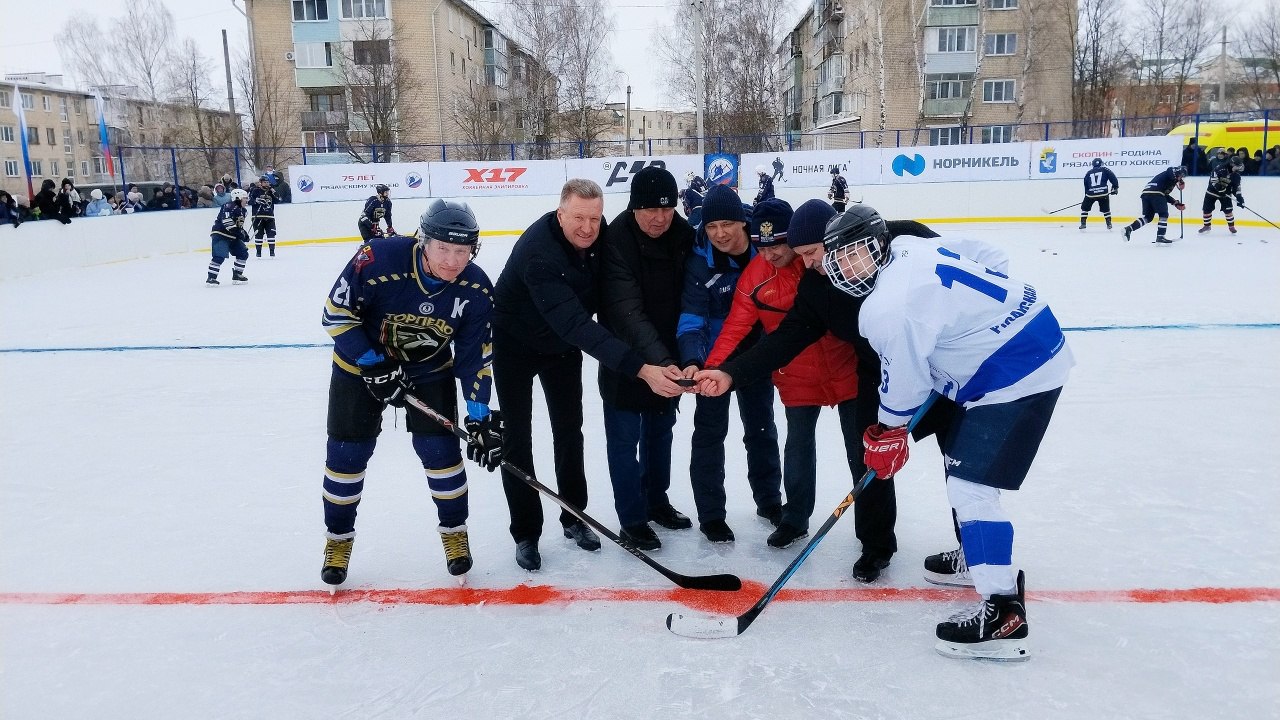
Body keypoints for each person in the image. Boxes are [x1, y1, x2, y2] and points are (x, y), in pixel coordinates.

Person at [819, 203, 1073, 661]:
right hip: (1035, 336)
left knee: (971, 488)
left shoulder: (884, 309)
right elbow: (991, 256)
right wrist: (967, 328)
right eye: (837, 257)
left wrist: (889, 432)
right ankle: (974, 558)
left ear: (877, 245)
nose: (843, 266)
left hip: (1015, 373)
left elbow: (906, 381)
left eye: (855, 253)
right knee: (959, 456)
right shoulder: (910, 247)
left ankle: (1002, 612)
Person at [693, 200, 962, 583]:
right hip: (876, 373)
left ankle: (971, 548)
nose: (805, 263)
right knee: (873, 457)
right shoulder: (817, 286)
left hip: (944, 369)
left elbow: (965, 273)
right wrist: (729, 374)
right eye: (799, 256)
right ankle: (876, 546)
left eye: (811, 253)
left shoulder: (902, 237)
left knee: (961, 465)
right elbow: (785, 339)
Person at [492, 179, 686, 571]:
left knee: (569, 431)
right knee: (518, 437)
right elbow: (578, 325)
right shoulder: (539, 255)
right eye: (578, 217)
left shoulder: (601, 240)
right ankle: (526, 532)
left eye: (594, 218)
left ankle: (573, 516)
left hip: (559, 350)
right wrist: (641, 368)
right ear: (560, 214)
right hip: (516, 345)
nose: (587, 227)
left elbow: (612, 299)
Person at [318, 199, 503, 587]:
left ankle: (455, 535)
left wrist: (480, 415)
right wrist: (373, 364)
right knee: (347, 458)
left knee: (442, 456)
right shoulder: (376, 259)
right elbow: (335, 315)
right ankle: (338, 541)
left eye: (462, 250)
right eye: (443, 249)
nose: (453, 261)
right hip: (359, 370)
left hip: (428, 370)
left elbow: (473, 359)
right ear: (423, 241)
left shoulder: (476, 288)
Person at [703, 198, 861, 550]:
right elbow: (735, 328)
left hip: (846, 370)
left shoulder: (820, 264)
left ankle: (872, 533)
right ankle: (795, 519)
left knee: (860, 453)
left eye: (777, 245)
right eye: (762, 246)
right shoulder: (755, 277)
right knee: (798, 448)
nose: (769, 254)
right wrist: (712, 369)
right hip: (796, 376)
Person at [598, 166, 697, 551]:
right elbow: (626, 311)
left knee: (661, 433)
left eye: (668, 209)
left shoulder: (684, 234)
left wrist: (684, 356)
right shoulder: (616, 241)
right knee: (624, 441)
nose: (660, 218)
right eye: (650, 210)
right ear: (634, 207)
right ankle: (633, 520)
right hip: (626, 357)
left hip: (669, 356)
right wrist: (657, 360)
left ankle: (657, 502)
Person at [677, 185, 782, 543]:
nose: (719, 233)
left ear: (742, 222)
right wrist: (692, 360)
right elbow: (691, 319)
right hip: (712, 357)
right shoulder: (698, 261)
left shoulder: (764, 247)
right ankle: (711, 515)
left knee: (761, 428)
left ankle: (770, 502)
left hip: (756, 356)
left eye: (726, 224)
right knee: (709, 434)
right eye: (711, 226)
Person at [1121, 165, 1186, 244]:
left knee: (1148, 217)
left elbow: (1164, 194)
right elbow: (1170, 172)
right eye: (1181, 176)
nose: (1181, 178)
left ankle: (1129, 229)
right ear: (1178, 172)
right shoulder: (1171, 173)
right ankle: (1160, 236)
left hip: (1146, 194)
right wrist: (1180, 181)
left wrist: (1175, 203)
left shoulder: (1168, 179)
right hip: (1156, 194)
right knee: (1163, 214)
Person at [206, 189, 251, 286]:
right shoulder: (228, 206)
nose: (247, 200)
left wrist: (244, 234)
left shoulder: (243, 211)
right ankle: (211, 278)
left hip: (233, 236)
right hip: (221, 234)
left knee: (243, 253)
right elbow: (227, 222)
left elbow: (238, 226)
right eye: (245, 198)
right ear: (238, 198)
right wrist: (239, 233)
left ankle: (237, 275)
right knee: (219, 256)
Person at [1198, 156, 1245, 235]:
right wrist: (1220, 189)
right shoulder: (1220, 168)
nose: (1239, 168)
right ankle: (1207, 226)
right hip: (1212, 192)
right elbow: (1213, 180)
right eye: (1237, 166)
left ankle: (1231, 226)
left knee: (1228, 210)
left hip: (1225, 194)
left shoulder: (1236, 175)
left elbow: (1237, 187)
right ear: (1232, 164)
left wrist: (1239, 198)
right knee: (1207, 209)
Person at [1079, 158, 1119, 230]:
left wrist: (1086, 196)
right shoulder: (1105, 169)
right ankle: (1109, 224)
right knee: (1106, 209)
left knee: (1084, 208)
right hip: (1103, 193)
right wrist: (1115, 187)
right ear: (1101, 163)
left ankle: (1083, 223)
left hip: (1091, 194)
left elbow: (1086, 184)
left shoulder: (1088, 172)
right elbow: (1113, 178)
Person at [249, 174, 279, 257]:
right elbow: (249, 201)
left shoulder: (271, 191)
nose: (266, 184)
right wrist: (256, 201)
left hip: (269, 216)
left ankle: (272, 252)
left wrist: (273, 191)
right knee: (259, 234)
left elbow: (278, 200)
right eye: (264, 182)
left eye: (267, 182)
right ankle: (258, 252)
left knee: (271, 234)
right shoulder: (255, 190)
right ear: (260, 183)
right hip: (258, 216)